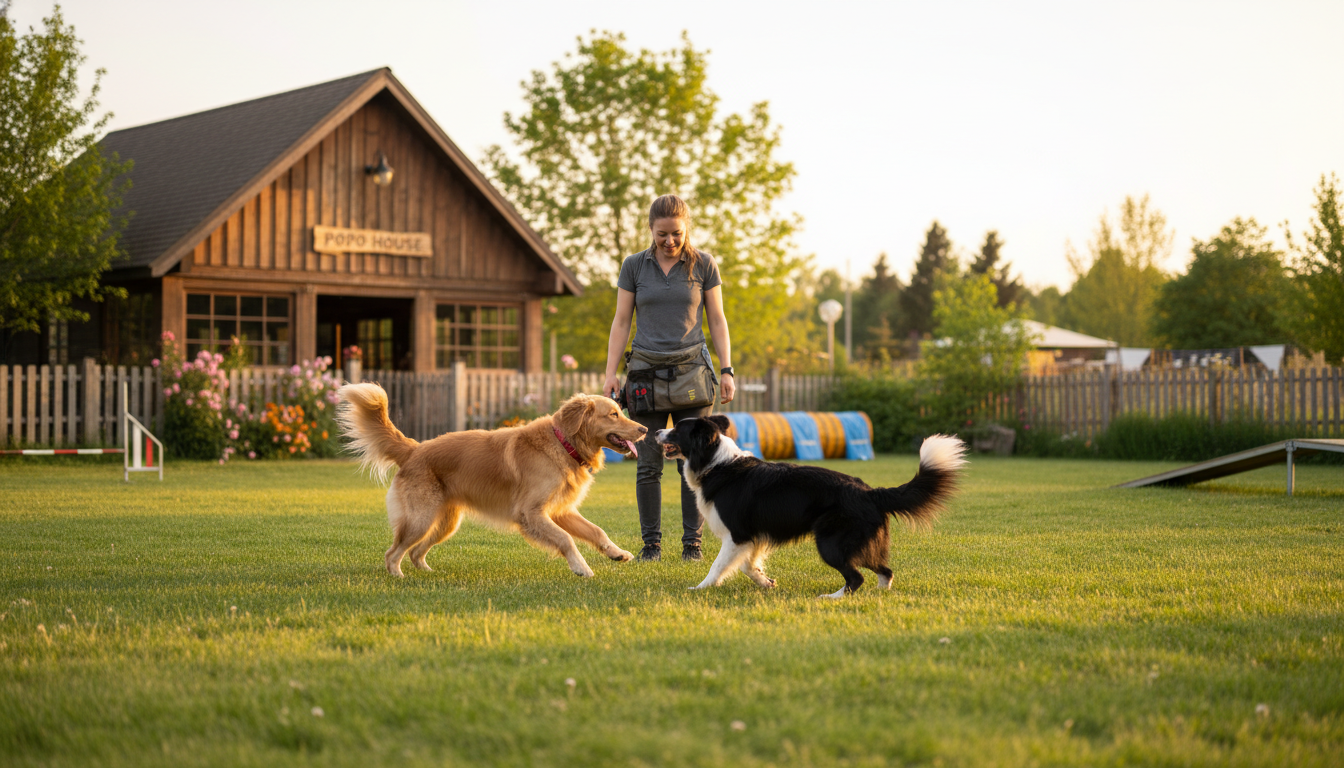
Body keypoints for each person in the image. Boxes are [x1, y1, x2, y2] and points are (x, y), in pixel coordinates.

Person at [603, 195, 736, 562]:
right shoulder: (634, 266)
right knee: (648, 464)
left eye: (676, 233)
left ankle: (692, 546)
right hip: (644, 374)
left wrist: (726, 369)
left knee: (692, 463)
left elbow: (718, 320)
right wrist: (611, 372)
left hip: (692, 374)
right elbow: (620, 321)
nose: (670, 241)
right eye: (662, 234)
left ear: (686, 228)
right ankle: (651, 546)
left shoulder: (704, 264)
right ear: (650, 229)